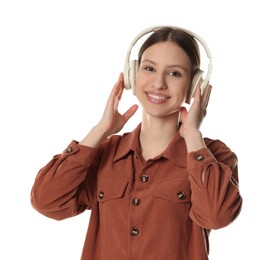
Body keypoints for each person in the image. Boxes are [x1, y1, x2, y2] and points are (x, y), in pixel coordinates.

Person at [31, 26, 242, 260]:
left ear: (195, 86)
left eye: (174, 73)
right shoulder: (105, 153)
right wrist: (99, 131)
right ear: (133, 75)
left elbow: (217, 216)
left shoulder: (214, 156)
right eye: (149, 68)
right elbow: (46, 201)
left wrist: (193, 135)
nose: (158, 83)